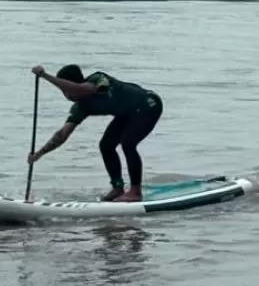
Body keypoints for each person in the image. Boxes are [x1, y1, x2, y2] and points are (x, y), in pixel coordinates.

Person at [27, 64, 163, 202]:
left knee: (128, 144)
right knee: (106, 145)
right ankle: (118, 188)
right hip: (127, 114)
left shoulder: (98, 80)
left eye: (65, 89)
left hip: (148, 104)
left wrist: (45, 76)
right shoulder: (81, 107)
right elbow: (62, 134)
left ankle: (135, 192)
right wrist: (39, 153)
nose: (66, 95)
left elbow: (79, 89)